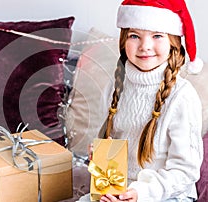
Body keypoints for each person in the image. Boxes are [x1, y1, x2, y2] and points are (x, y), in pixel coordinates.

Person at [79, 0, 204, 201]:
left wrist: (140, 193)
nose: (145, 46)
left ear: (173, 42)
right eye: (134, 36)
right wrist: (99, 157)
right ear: (123, 41)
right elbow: (108, 144)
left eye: (157, 36)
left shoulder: (182, 97)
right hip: (121, 191)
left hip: (167, 195)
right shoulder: (115, 87)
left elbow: (185, 172)